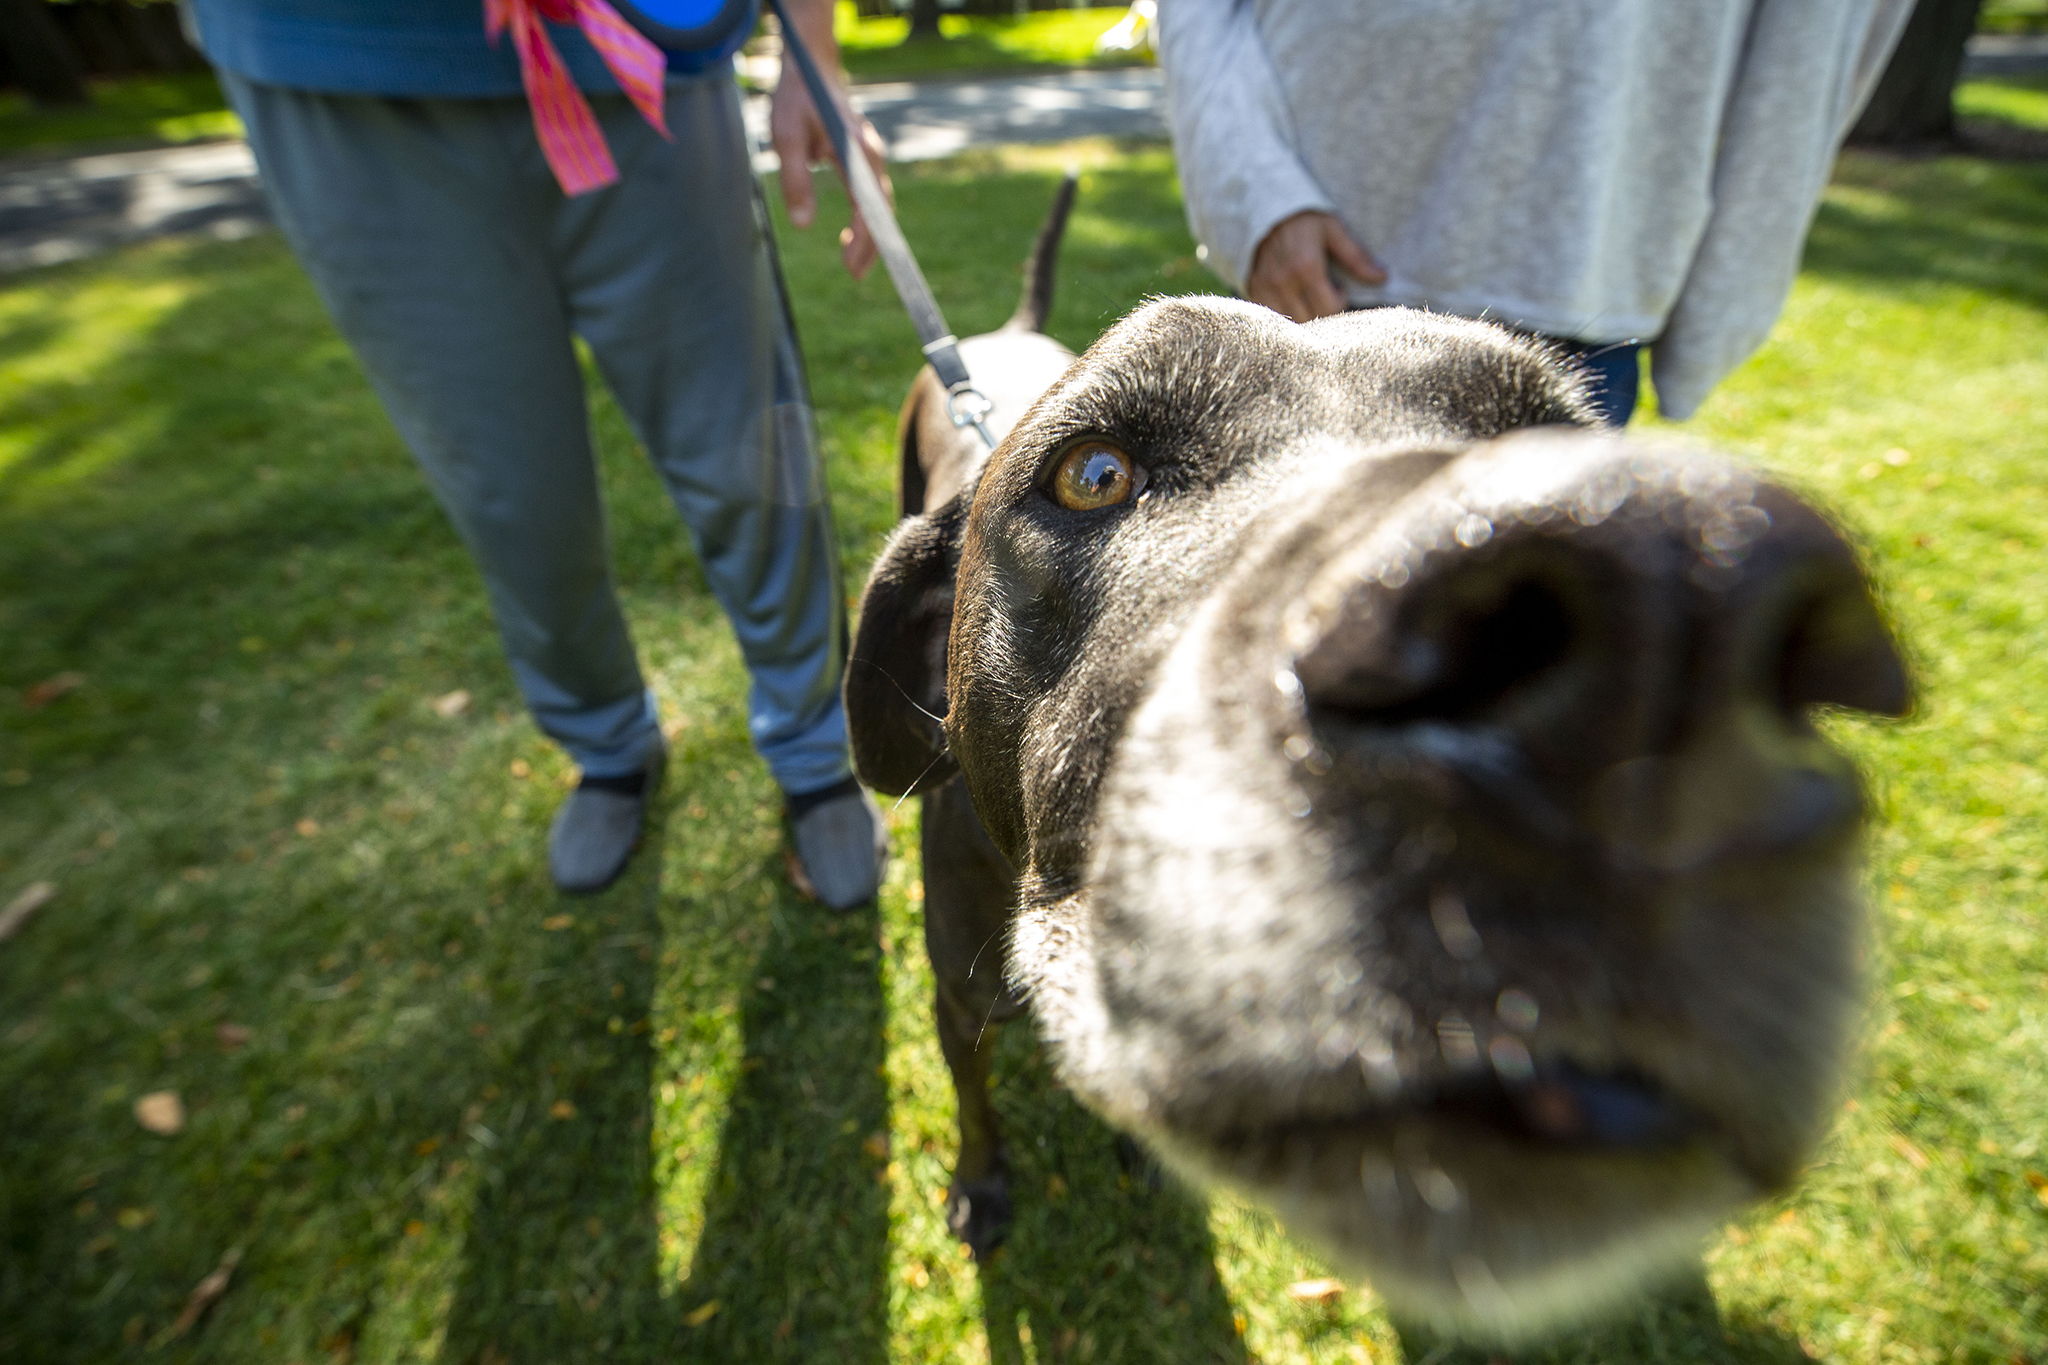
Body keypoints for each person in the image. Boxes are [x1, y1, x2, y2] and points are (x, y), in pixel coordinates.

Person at [181, 0, 892, 903]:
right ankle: (606, 744)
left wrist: (812, 48)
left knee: (751, 459)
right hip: (338, 72)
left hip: (646, 49)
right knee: (514, 497)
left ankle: (815, 750)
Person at [1157, 0, 1915, 426]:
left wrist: (1724, 285)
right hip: (1316, 287)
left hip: (1581, 295)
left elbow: (1822, 31)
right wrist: (1253, 190)